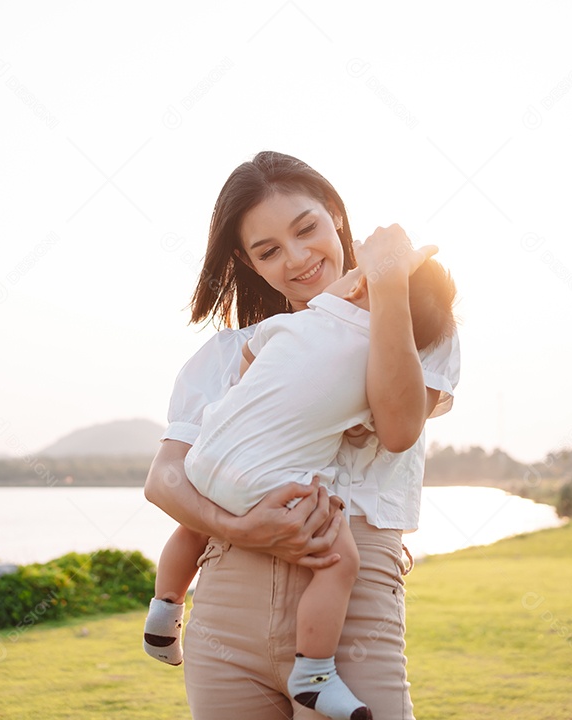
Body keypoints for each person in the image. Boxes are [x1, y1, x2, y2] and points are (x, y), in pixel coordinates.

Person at [144, 151, 460, 720]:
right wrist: (239, 526)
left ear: (336, 215)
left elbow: (397, 427)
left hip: (353, 602)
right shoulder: (227, 352)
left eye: (307, 228)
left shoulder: (415, 316)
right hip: (227, 604)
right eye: (268, 250)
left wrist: (386, 283)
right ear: (248, 261)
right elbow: (165, 479)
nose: (297, 257)